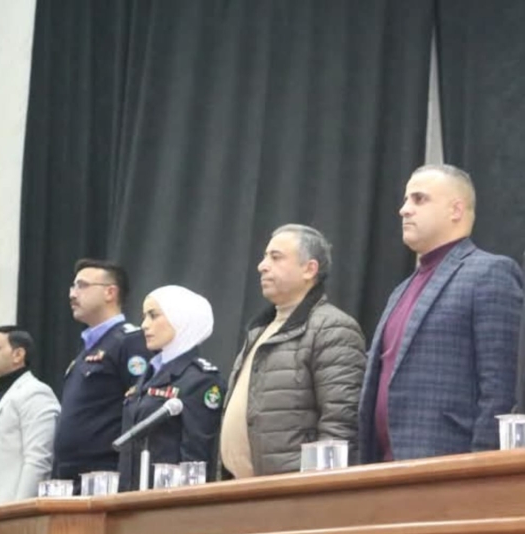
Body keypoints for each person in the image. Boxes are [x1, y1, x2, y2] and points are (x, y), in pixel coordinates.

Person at [359, 164, 523, 464]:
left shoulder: (490, 272)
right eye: (406, 199)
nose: (404, 209)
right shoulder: (401, 290)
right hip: (385, 468)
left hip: (450, 467)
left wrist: (481, 468)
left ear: (455, 210)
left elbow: (500, 386)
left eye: (419, 199)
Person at [219, 224, 366, 478]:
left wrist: (314, 490)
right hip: (239, 489)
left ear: (309, 269)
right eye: (265, 257)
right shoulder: (260, 330)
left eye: (275, 257)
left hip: (292, 493)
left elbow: (341, 424)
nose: (262, 266)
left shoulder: (333, 328)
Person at [53, 258, 150, 491]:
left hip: (104, 477)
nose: (72, 294)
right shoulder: (88, 348)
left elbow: (138, 409)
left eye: (82, 286)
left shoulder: (129, 341)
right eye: (72, 286)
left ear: (110, 292)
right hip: (69, 477)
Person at [118, 285, 226, 491]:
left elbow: (196, 460)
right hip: (130, 497)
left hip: (167, 501)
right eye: (144, 316)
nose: (144, 325)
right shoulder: (150, 373)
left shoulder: (201, 380)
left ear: (181, 319)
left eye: (153, 315)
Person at [0, 326, 60, 503]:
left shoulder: (36, 393)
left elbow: (39, 461)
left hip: (11, 511)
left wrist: (19, 512)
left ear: (18, 355)